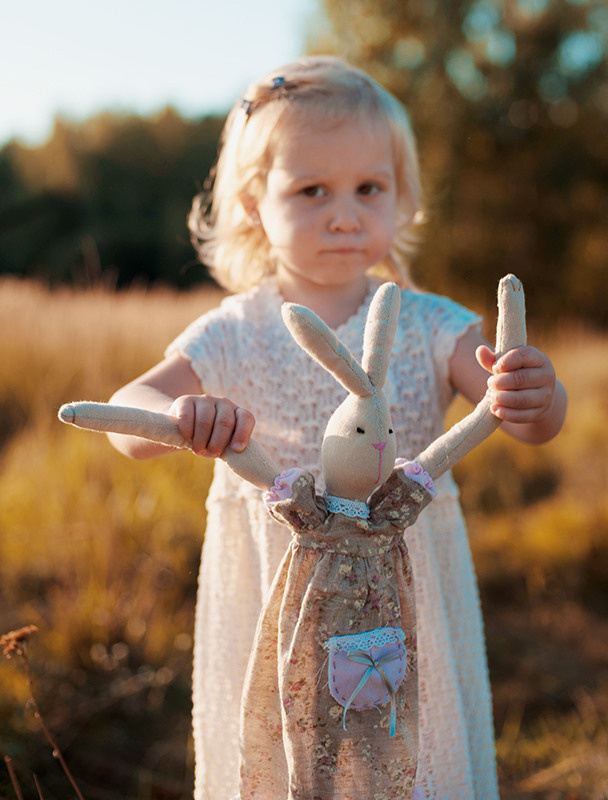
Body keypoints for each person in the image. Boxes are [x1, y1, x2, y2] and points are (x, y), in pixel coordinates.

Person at [108, 56, 567, 800]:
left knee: (412, 755)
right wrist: (182, 415)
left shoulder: (431, 324)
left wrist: (533, 394)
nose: (345, 214)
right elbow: (127, 415)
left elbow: (523, 420)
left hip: (403, 591)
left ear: (401, 198)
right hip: (279, 596)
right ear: (255, 202)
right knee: (285, 760)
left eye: (369, 189)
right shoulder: (234, 332)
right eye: (312, 190)